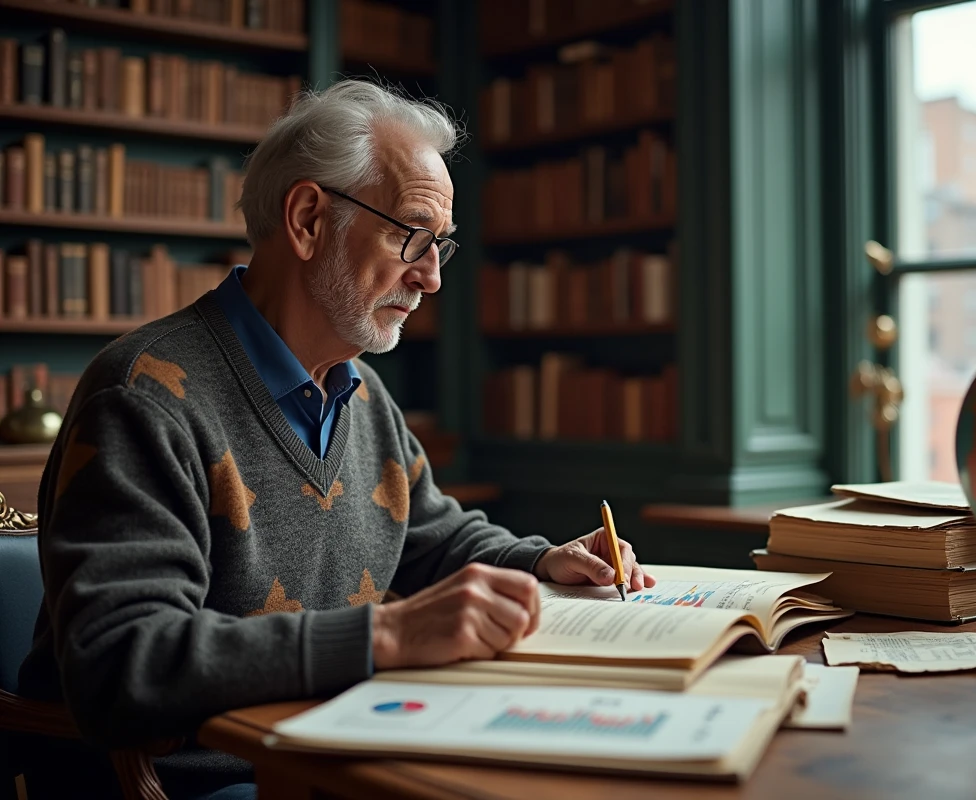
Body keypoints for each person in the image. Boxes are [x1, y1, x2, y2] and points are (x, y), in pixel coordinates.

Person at [15, 79, 654, 800]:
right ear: (310, 219)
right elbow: (121, 662)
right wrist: (386, 637)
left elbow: (434, 541)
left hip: (337, 753)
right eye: (411, 234)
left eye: (440, 245)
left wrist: (541, 560)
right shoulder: (144, 395)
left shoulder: (361, 391)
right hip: (199, 783)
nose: (432, 277)